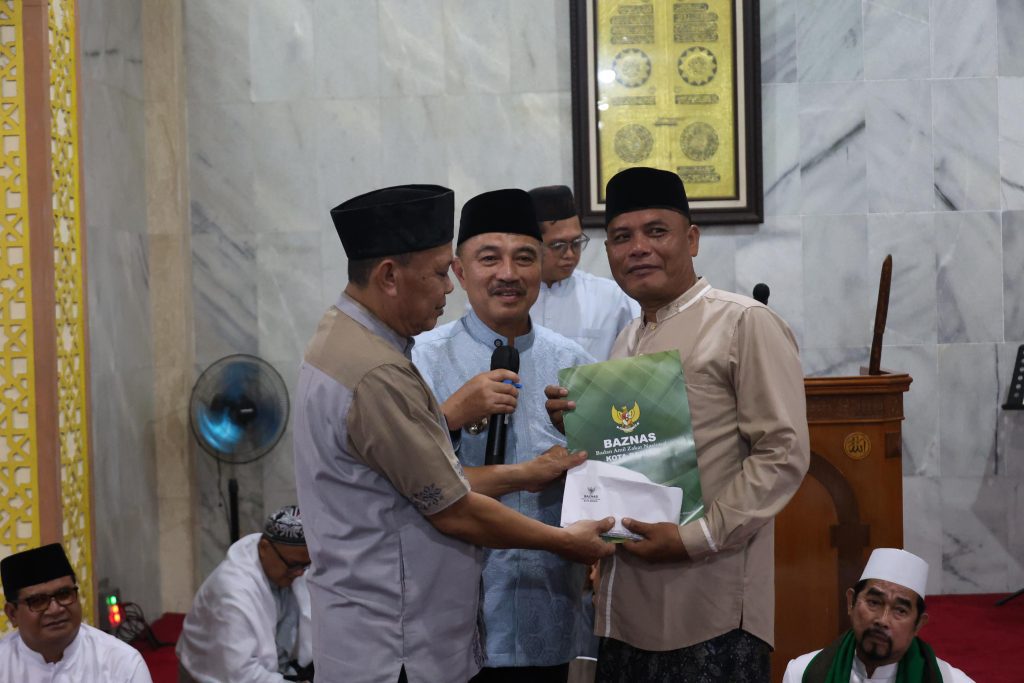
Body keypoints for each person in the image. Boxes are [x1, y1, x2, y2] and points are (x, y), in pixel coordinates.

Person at [292, 184, 615, 683]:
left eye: (525, 258)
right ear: (390, 276)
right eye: (444, 272)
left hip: (515, 623)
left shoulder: (573, 364)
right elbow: (452, 503)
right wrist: (559, 533)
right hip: (399, 642)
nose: (446, 288)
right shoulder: (395, 366)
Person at [545, 167, 810, 682]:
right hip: (626, 608)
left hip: (712, 604)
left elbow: (783, 453)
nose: (638, 247)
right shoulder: (626, 339)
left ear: (691, 240)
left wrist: (700, 537)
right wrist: (579, 428)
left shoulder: (742, 321)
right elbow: (634, 454)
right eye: (622, 237)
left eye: (656, 231)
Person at [413, 188, 596, 682]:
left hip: (547, 607)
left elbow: (603, 483)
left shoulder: (574, 364)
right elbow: (409, 486)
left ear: (542, 267)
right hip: (449, 622)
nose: (508, 275)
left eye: (524, 258)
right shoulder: (421, 362)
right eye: (489, 258)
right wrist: (448, 415)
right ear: (459, 270)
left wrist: (585, 446)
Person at [783, 548, 974, 682]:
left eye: (900, 610)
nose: (882, 620)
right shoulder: (803, 674)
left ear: (918, 624)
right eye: (874, 603)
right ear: (851, 602)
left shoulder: (952, 681)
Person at [176, 505, 314, 682]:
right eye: (294, 565)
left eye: (305, 565)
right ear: (264, 548)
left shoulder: (283, 563)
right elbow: (240, 675)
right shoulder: (232, 593)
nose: (300, 573)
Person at [0, 543, 152, 682]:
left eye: (64, 594)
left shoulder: (122, 663)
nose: (55, 609)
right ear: (12, 614)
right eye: (38, 601)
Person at [527, 185, 638, 360]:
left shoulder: (612, 297)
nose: (570, 254)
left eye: (576, 242)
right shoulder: (510, 297)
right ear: (532, 245)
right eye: (558, 245)